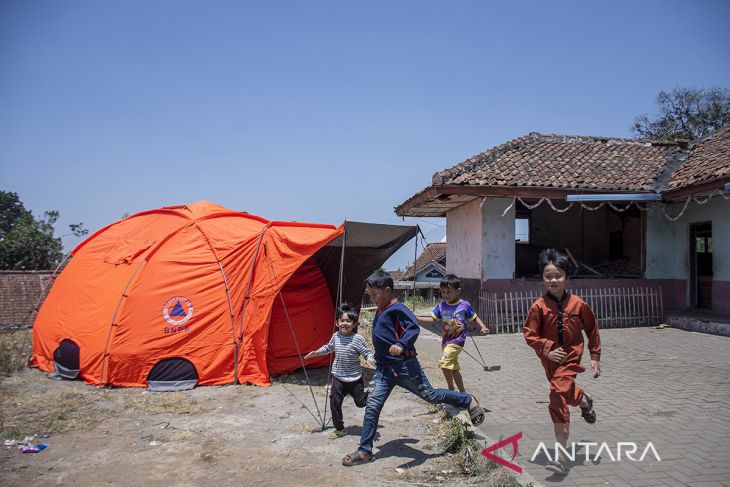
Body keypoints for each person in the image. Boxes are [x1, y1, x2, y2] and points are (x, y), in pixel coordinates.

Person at [342, 270, 485, 466]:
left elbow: (413, 328)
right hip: (384, 370)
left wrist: (401, 345)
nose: (372, 298)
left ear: (387, 290)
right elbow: (383, 336)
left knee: (431, 396)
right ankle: (365, 450)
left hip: (405, 367)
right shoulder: (381, 309)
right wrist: (375, 356)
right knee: (373, 406)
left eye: (374, 294)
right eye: (369, 294)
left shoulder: (398, 309)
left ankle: (467, 399)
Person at [523, 249, 601, 476]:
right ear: (542, 278)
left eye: (557, 275)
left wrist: (595, 357)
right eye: (548, 276)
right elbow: (529, 334)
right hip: (549, 362)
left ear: (567, 277)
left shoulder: (579, 305)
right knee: (563, 391)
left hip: (571, 359)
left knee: (557, 396)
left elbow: (592, 330)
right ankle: (583, 399)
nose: (553, 280)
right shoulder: (538, 306)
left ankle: (560, 457)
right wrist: (547, 350)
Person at [305, 304, 376, 439]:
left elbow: (367, 352)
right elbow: (329, 347)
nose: (345, 323)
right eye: (342, 320)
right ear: (337, 323)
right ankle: (340, 429)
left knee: (360, 403)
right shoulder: (336, 336)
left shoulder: (357, 339)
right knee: (334, 403)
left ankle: (369, 394)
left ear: (354, 324)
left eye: (348, 321)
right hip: (338, 377)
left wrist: (369, 359)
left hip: (354, 379)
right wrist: (316, 353)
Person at [417, 274, 489, 393]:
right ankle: (463, 394)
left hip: (457, 341)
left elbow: (474, 317)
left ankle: (451, 390)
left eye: (449, 292)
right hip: (445, 341)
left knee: (444, 363)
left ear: (458, 291)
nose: (446, 295)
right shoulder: (441, 305)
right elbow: (432, 319)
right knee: (454, 370)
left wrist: (483, 327)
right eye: (443, 292)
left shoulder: (464, 305)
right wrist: (417, 318)